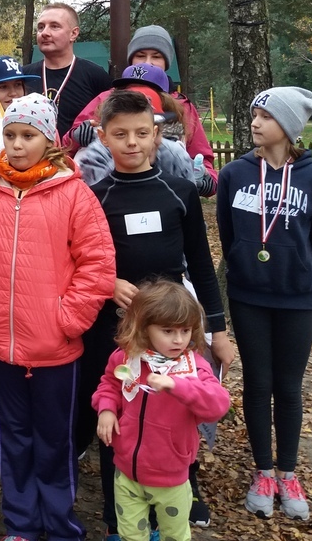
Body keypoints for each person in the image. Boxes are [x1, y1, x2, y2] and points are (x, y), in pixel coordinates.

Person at [0, 93, 116, 541]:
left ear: (49, 140)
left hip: (53, 349)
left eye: (28, 135)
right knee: (14, 437)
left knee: (54, 440)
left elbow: (97, 266)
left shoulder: (74, 194)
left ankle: (60, 524)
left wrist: (67, 319)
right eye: (10, 135)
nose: (18, 144)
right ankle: (21, 523)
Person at [84, 89, 236, 535]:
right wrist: (107, 283)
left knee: (174, 411)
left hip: (173, 329)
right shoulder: (95, 197)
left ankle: (181, 496)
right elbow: (79, 261)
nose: (132, 142)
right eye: (120, 134)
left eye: (141, 133)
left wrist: (218, 330)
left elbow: (202, 266)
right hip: (115, 329)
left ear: (156, 135)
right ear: (103, 137)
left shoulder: (180, 191)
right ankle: (117, 519)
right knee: (119, 416)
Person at [218, 87, 312, 521]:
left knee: (288, 387)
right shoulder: (234, 174)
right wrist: (244, 265)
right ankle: (263, 472)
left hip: (296, 299)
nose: (255, 122)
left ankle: (288, 472)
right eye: (255, 113)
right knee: (257, 383)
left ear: (288, 126)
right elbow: (228, 233)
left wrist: (298, 274)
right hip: (248, 296)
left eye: (266, 116)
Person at [92, 280, 231, 541]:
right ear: (144, 327)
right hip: (127, 472)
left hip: (172, 478)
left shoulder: (194, 368)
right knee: (130, 534)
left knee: (174, 535)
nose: (178, 339)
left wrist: (178, 386)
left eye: (185, 330)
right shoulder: (127, 357)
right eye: (168, 331)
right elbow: (110, 383)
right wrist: (107, 409)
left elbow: (218, 404)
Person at [68, 25, 218, 195]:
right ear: (131, 59)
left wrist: (206, 179)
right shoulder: (106, 99)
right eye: (140, 56)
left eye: (156, 56)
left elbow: (202, 158)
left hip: (166, 195)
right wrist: (76, 136)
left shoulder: (182, 106)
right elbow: (67, 147)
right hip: (110, 193)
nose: (148, 62)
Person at [23, 2, 112, 137]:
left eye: (54, 26)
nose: (45, 33)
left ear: (73, 33)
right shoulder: (24, 76)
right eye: (41, 27)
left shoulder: (95, 75)